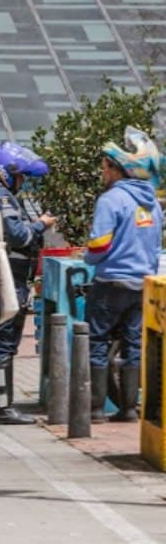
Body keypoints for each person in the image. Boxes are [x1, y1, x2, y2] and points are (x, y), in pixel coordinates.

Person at [85, 127, 163, 423]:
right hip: (142, 284)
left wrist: (91, 257)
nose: (102, 172)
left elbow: (99, 244)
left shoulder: (111, 200)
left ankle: (94, 409)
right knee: (133, 345)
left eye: (105, 167)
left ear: (118, 170)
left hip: (110, 283)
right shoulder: (152, 203)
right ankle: (129, 409)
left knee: (97, 341)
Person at [0, 141, 54, 425]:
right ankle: (3, 406)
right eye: (19, 176)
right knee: (3, 343)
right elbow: (18, 235)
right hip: (6, 277)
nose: (21, 183)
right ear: (6, 173)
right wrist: (41, 224)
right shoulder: (1, 195)